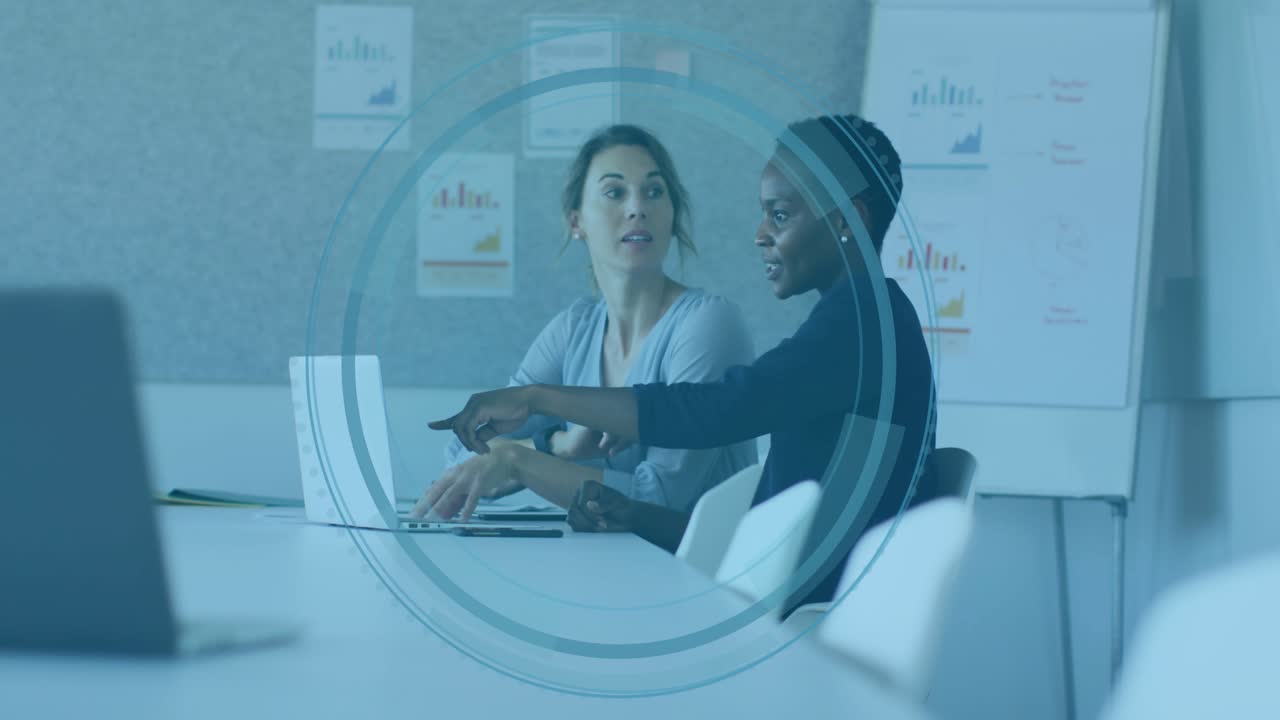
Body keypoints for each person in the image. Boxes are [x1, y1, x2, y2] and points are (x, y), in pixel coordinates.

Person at [428, 115, 935, 611]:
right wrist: (632, 514)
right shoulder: (859, 318)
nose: (760, 234)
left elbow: (715, 410)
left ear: (848, 220)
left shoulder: (866, 325)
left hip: (805, 621)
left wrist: (538, 404)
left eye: (779, 215)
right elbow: (749, 531)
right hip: (781, 600)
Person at [413, 124, 757, 523]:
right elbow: (463, 458)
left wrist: (518, 461)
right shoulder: (573, 330)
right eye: (615, 192)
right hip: (607, 559)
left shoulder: (709, 324)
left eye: (654, 191)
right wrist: (556, 446)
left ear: (672, 214)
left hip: (699, 562)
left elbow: (659, 500)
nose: (637, 208)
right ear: (576, 222)